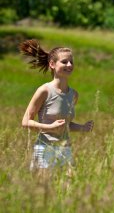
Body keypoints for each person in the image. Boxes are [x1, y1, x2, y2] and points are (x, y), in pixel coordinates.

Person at [19, 39, 94, 178]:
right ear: (52, 64)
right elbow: (25, 122)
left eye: (71, 62)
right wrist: (49, 127)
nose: (69, 65)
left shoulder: (73, 95)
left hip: (65, 149)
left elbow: (65, 124)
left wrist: (82, 128)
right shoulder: (44, 90)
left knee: (69, 188)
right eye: (64, 62)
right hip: (45, 149)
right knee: (43, 192)